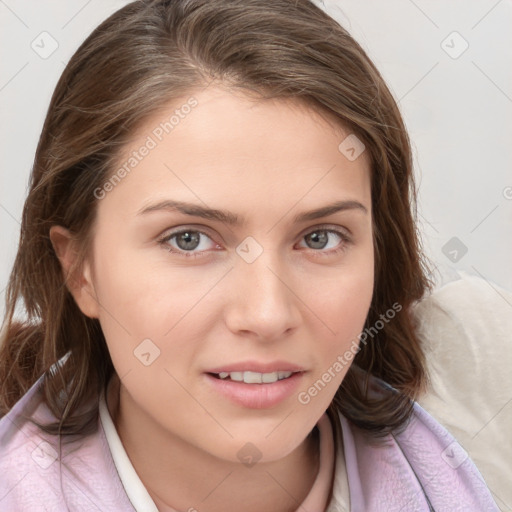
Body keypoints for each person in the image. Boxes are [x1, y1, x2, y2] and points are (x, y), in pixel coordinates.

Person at [0, 0, 500, 510]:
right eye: (188, 239)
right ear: (79, 269)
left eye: (320, 237)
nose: (267, 315)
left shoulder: (488, 429)